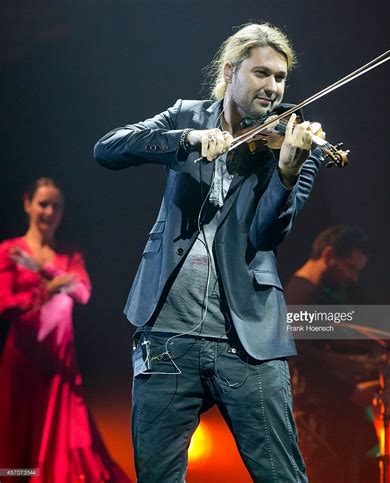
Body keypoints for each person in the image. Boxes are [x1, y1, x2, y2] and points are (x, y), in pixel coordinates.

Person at [94, 22, 328, 482]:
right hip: (166, 337)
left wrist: (283, 175)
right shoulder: (186, 116)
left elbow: (266, 236)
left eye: (281, 78)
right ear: (230, 71)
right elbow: (108, 148)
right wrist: (186, 141)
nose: (273, 88)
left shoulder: (298, 145)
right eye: (262, 74)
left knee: (282, 476)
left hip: (247, 340)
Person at [0, 178, 130, 482]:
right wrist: (44, 292)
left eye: (55, 206)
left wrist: (45, 269)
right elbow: (4, 304)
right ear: (27, 204)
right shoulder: (10, 251)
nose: (49, 211)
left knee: (72, 442)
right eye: (43, 204)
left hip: (61, 365)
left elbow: (82, 293)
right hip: (24, 362)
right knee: (18, 441)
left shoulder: (69, 256)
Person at [285, 225, 378, 483]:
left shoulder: (318, 296)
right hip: (317, 424)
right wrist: (351, 391)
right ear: (328, 255)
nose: (353, 278)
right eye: (349, 268)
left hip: (326, 419)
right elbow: (305, 358)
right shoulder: (300, 299)